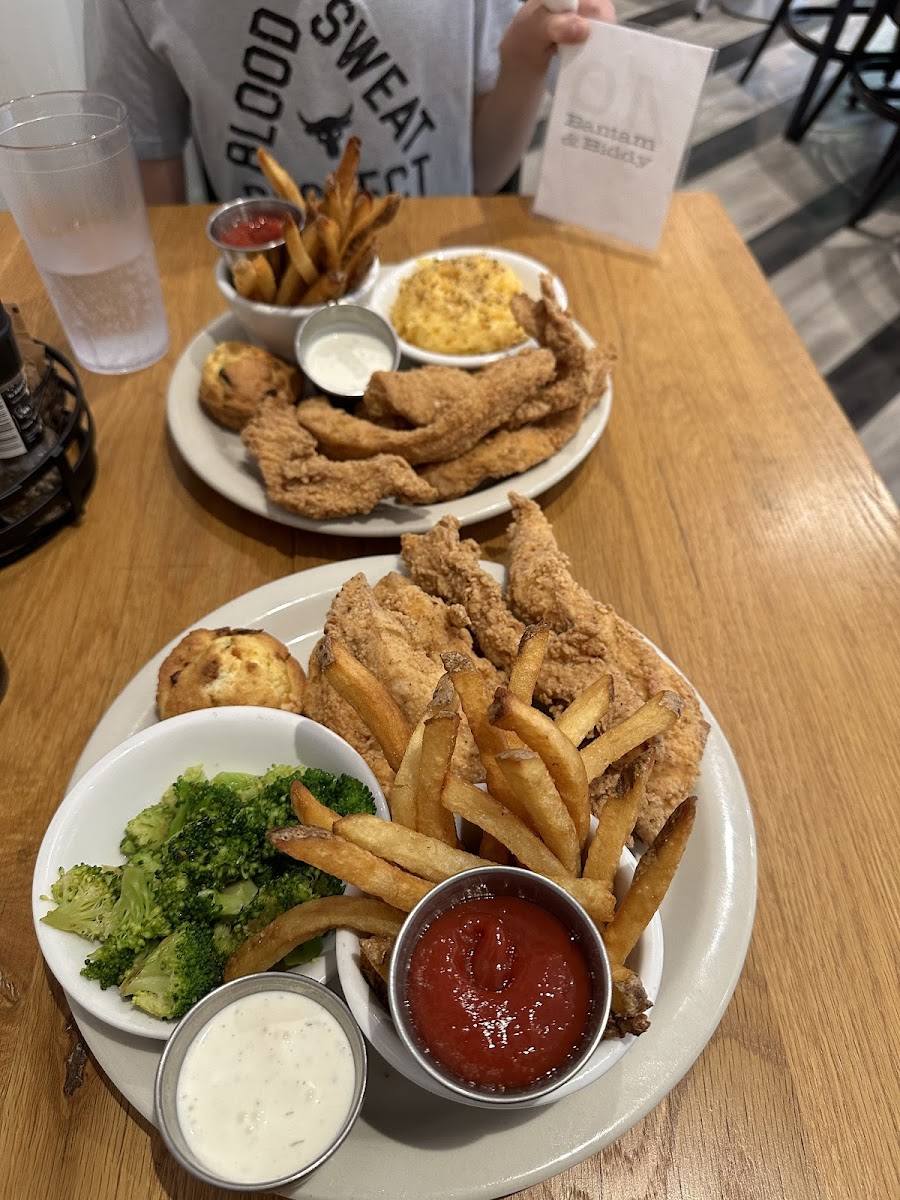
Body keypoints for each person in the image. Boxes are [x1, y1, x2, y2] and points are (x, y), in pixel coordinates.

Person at [83, 1, 613, 203]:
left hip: (435, 276)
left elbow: (478, 175)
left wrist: (522, 61)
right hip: (269, 290)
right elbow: (153, 207)